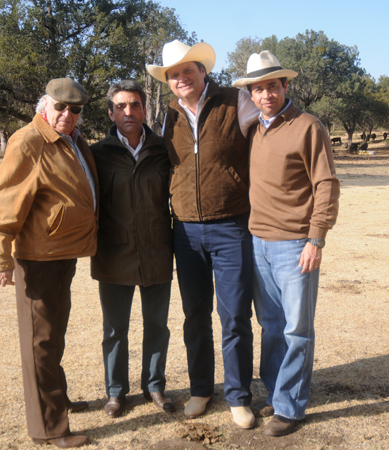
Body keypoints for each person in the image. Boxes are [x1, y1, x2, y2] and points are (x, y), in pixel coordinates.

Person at [146, 40, 259, 429]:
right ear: (168, 81)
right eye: (173, 74)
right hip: (187, 231)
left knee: (235, 316)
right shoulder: (169, 116)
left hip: (232, 226)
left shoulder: (236, 101)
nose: (181, 78)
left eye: (187, 71)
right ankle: (200, 390)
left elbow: (271, 134)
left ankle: (239, 397)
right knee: (195, 315)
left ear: (202, 71)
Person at [0, 78, 97, 448]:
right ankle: (49, 428)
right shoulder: (29, 141)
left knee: (53, 337)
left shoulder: (74, 140)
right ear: (44, 105)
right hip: (37, 258)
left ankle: (56, 400)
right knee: (40, 342)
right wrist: (1, 258)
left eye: (75, 109)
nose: (67, 114)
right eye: (60, 107)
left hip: (62, 253)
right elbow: (4, 201)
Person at [232, 51, 340, 436]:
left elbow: (326, 183)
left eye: (272, 86)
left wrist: (316, 238)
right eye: (258, 88)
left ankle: (291, 408)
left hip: (296, 244)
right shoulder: (253, 129)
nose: (266, 94)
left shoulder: (309, 127)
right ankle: (278, 394)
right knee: (272, 325)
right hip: (258, 241)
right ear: (251, 93)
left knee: (297, 329)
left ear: (285, 86)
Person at [90, 80, 174, 418]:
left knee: (157, 325)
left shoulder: (163, 149)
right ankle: (116, 392)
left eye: (135, 105)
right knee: (114, 329)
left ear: (144, 109)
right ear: (111, 112)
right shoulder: (97, 154)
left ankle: (154, 386)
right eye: (121, 106)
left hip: (156, 250)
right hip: (113, 254)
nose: (129, 112)